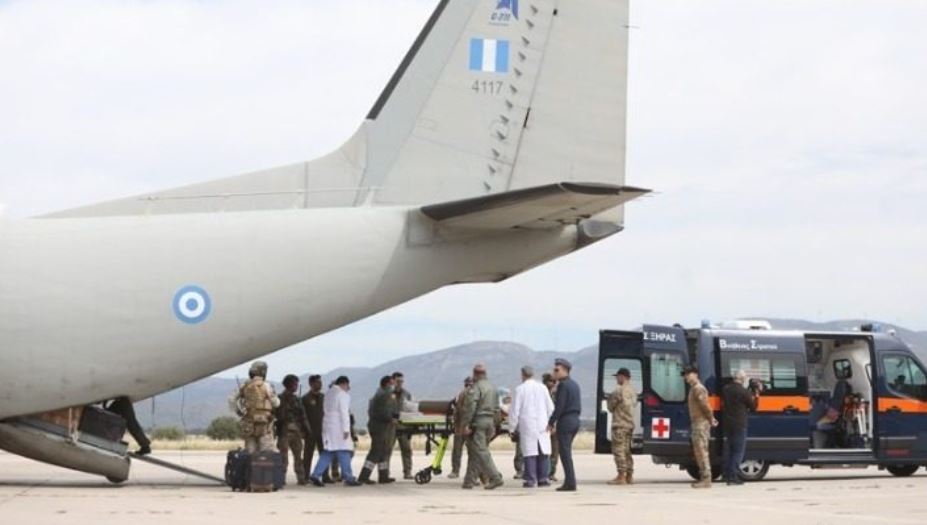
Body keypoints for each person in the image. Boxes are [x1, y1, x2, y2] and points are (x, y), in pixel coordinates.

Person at [308, 376, 361, 487]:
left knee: (329, 451)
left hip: (328, 425)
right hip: (338, 427)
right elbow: (344, 413)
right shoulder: (343, 395)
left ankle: (316, 474)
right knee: (344, 450)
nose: (348, 388)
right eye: (347, 385)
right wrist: (346, 429)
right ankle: (348, 477)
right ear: (344, 384)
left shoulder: (328, 393)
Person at [509, 366, 555, 488]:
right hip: (542, 423)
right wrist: (552, 422)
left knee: (529, 452)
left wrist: (512, 428)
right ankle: (543, 478)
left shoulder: (520, 389)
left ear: (522, 375)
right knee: (543, 451)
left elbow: (514, 411)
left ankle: (530, 479)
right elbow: (550, 407)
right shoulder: (543, 388)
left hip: (527, 424)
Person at [460, 363, 504, 490]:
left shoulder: (476, 388)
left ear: (475, 374)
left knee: (481, 452)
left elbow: (471, 407)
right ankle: (469, 481)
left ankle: (495, 477)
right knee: (476, 452)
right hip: (489, 422)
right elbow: (497, 409)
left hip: (478, 423)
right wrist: (495, 425)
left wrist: (466, 424)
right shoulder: (492, 388)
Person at [229, 361, 280, 453]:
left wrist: (238, 411)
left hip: (249, 424)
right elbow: (276, 403)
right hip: (265, 425)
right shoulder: (267, 386)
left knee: (250, 454)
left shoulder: (244, 386)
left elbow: (231, 399)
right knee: (266, 455)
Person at [548, 358, 581, 492]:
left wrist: (551, 422)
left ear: (565, 370)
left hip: (566, 420)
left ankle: (570, 482)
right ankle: (570, 481)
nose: (554, 372)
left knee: (565, 453)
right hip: (574, 419)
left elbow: (559, 406)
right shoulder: (574, 384)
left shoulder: (563, 385)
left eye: (557, 370)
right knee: (566, 452)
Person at [722, 370, 760, 485]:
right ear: (743, 379)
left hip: (727, 423)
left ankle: (727, 474)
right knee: (738, 451)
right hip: (739, 424)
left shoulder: (726, 389)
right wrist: (757, 394)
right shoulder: (744, 392)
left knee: (729, 450)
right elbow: (753, 407)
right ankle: (733, 477)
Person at [359, 375, 399, 484]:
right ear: (387, 384)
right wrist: (391, 419)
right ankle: (364, 476)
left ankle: (383, 475)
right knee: (376, 451)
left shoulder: (381, 394)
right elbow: (383, 412)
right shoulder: (384, 395)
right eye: (392, 383)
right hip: (379, 427)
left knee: (384, 451)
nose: (394, 385)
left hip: (381, 426)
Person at [684, 366, 718, 489]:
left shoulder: (698, 388)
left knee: (701, 451)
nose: (686, 377)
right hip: (697, 422)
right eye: (685, 375)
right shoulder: (693, 389)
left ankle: (706, 478)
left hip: (701, 423)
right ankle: (704, 476)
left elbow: (705, 406)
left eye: (688, 374)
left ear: (695, 374)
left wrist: (711, 418)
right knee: (698, 451)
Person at [277, 374, 311, 485]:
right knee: (285, 457)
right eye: (295, 384)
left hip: (294, 431)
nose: (296, 386)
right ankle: (282, 478)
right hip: (285, 431)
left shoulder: (296, 399)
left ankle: (298, 478)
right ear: (289, 385)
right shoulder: (280, 399)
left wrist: (306, 430)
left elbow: (303, 416)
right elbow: (278, 415)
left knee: (296, 457)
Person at [301, 375, 334, 483]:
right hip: (310, 431)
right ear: (311, 384)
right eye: (317, 382)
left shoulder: (324, 397)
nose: (320, 384)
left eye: (320, 382)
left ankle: (325, 476)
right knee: (307, 455)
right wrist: (305, 430)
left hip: (323, 431)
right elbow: (302, 416)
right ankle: (305, 476)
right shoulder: (305, 398)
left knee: (324, 454)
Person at [607, 368, 637, 486]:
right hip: (629, 424)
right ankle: (629, 475)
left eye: (617, 376)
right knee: (627, 451)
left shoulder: (618, 391)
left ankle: (621, 476)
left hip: (619, 424)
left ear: (623, 377)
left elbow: (610, 407)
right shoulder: (633, 391)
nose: (616, 379)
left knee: (618, 450)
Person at [387, 371, 415, 480]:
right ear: (393, 381)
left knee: (407, 450)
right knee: (387, 450)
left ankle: (407, 472)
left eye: (402, 381)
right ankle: (385, 472)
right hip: (391, 426)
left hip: (403, 427)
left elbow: (411, 409)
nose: (400, 383)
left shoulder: (406, 394)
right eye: (398, 381)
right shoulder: (387, 393)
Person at [448, 376, 473, 479]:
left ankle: (459, 471)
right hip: (463, 427)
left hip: (466, 427)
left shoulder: (467, 395)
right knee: (461, 451)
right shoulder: (460, 395)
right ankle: (457, 471)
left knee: (467, 451)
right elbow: (455, 409)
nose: (468, 386)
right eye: (468, 384)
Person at [542, 373, 560, 482]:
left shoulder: (557, 394)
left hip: (554, 426)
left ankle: (551, 472)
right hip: (543, 426)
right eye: (550, 381)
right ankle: (544, 472)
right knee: (544, 451)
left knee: (555, 451)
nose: (552, 383)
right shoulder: (541, 394)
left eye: (554, 381)